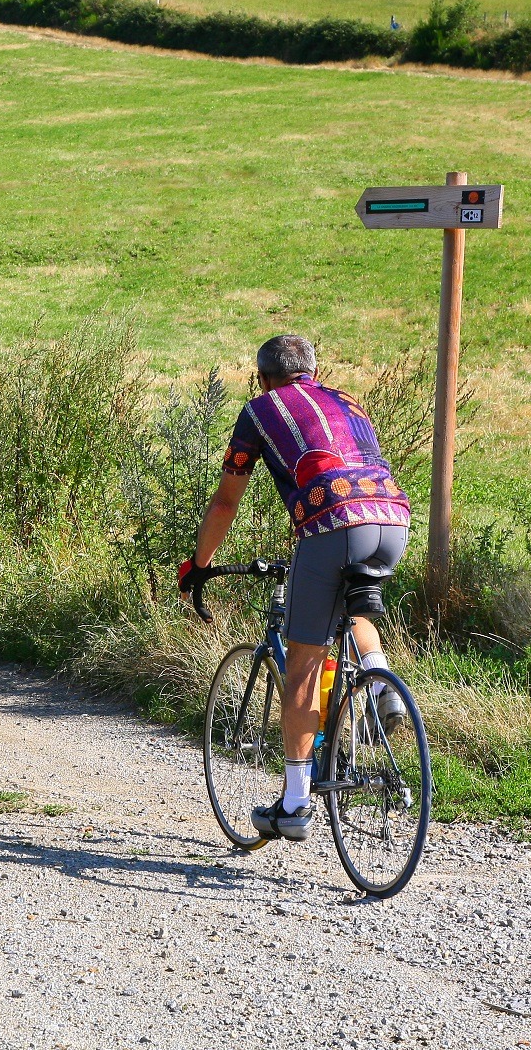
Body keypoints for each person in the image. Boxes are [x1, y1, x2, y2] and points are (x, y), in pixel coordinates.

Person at [178, 334, 409, 842]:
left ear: (262, 378)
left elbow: (226, 502)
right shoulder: (346, 399)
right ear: (314, 372)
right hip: (393, 518)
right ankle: (380, 684)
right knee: (352, 611)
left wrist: (200, 565)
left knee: (303, 662)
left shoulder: (260, 409)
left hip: (332, 520)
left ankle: (296, 804)